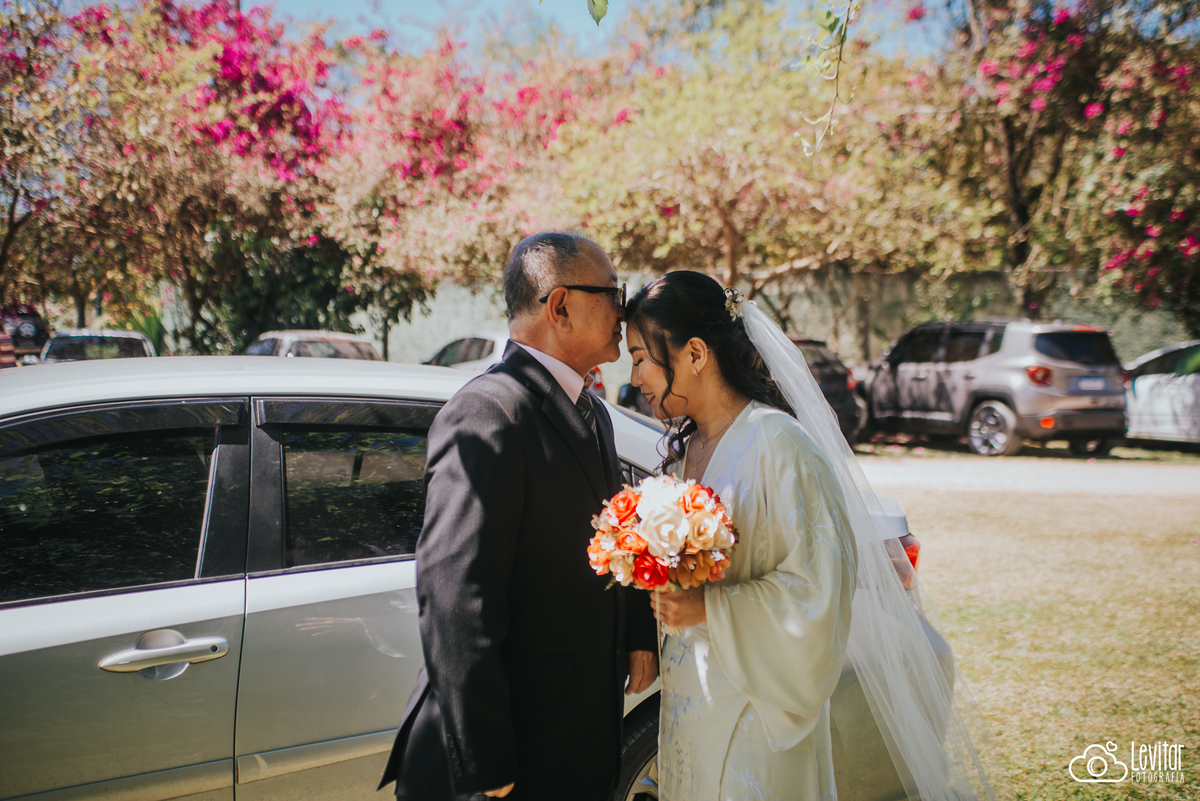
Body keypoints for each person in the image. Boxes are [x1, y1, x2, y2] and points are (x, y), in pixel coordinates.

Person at [626, 271, 993, 801]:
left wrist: (711, 608)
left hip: (757, 715)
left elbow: (819, 591)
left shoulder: (779, 445)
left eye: (641, 357)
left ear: (696, 353)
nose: (635, 375)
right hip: (692, 708)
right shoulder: (690, 450)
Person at [379, 232, 658, 801]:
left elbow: (614, 530)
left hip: (573, 732)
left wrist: (636, 634)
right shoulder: (486, 413)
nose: (623, 309)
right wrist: (486, 767)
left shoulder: (592, 413)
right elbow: (456, 596)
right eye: (612, 292)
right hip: (508, 755)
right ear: (560, 306)